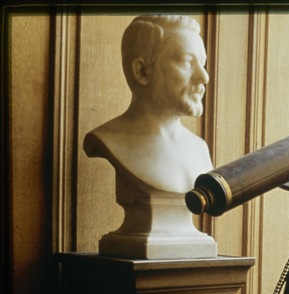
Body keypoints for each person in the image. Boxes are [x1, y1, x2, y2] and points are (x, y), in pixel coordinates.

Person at [84, 14, 216, 259]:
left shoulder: (199, 149)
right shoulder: (109, 139)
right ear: (142, 71)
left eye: (203, 63)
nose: (204, 77)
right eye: (187, 62)